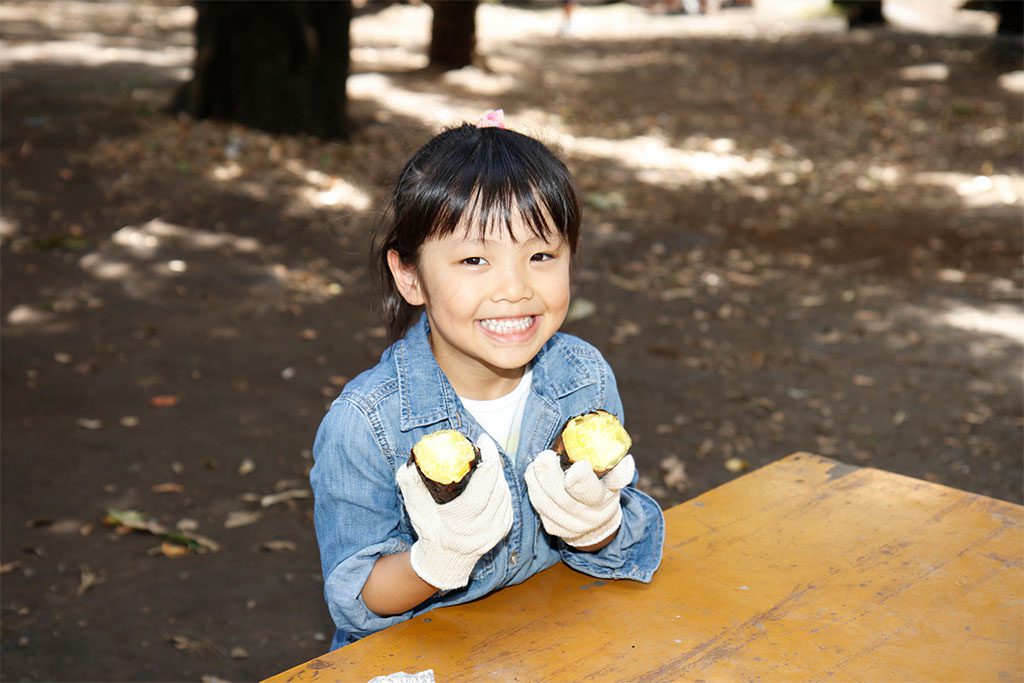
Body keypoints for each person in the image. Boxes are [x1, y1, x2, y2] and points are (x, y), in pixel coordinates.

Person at [310, 109, 665, 650]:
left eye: (541, 255)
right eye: (475, 259)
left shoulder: (583, 378)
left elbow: (620, 540)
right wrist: (438, 558)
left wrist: (600, 526)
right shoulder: (365, 424)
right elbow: (357, 599)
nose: (515, 288)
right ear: (411, 276)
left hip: (553, 644)